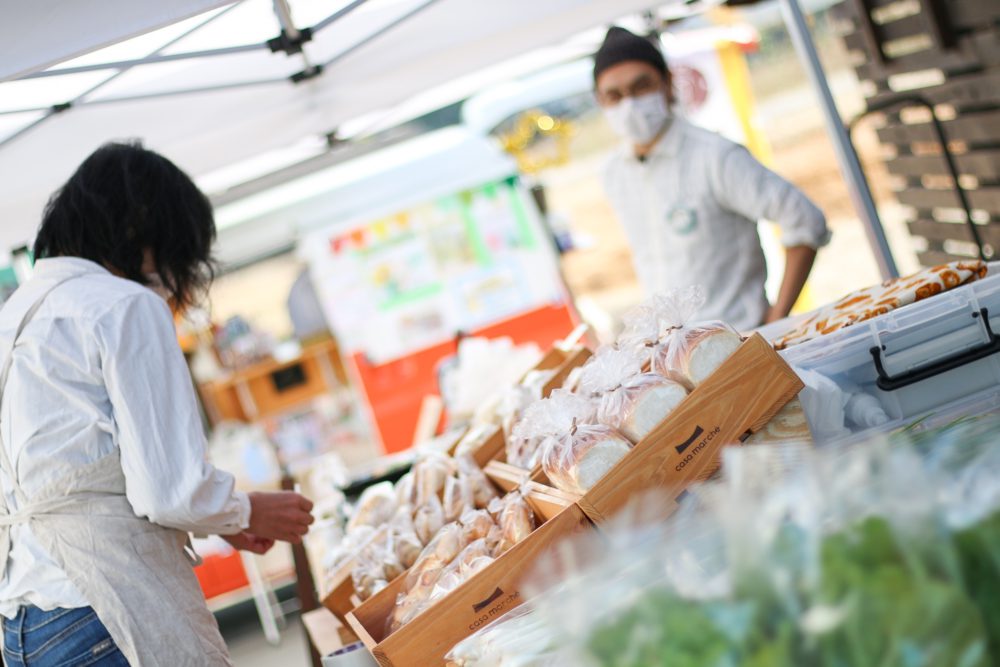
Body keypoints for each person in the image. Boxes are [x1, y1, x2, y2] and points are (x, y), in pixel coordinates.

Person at [0, 142, 315, 666]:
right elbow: (170, 491)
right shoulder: (122, 305)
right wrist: (244, 509)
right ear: (144, 230)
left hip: (26, 626)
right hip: (103, 609)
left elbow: (73, 475)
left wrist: (224, 519)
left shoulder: (14, 319)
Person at [594, 26, 830, 330]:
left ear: (667, 84)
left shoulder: (715, 156)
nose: (630, 105)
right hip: (675, 354)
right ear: (601, 102)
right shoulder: (614, 172)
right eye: (615, 95)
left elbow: (806, 220)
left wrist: (776, 319)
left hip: (739, 341)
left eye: (641, 87)